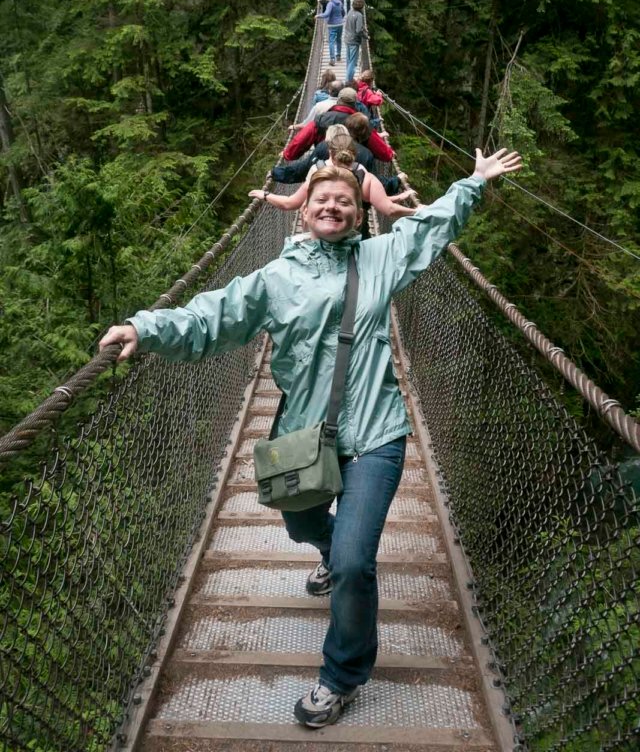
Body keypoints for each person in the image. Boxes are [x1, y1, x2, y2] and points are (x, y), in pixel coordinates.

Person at [99, 147, 523, 729]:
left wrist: (473, 182)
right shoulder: (277, 278)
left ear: (358, 213)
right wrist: (143, 329)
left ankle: (341, 675)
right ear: (303, 213)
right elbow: (212, 317)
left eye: (344, 201)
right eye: (322, 198)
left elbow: (431, 226)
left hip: (377, 433)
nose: (332, 206)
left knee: (355, 563)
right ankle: (325, 548)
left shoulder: (381, 258)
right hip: (304, 433)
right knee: (301, 524)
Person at [250, 129, 416, 221]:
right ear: (353, 152)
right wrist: (415, 211)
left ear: (329, 151)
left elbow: (289, 203)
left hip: (322, 235)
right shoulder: (361, 173)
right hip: (351, 234)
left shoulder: (318, 170)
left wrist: (265, 195)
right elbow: (387, 207)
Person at [284, 87, 393, 163]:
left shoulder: (321, 119)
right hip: (354, 172)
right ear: (355, 103)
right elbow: (383, 153)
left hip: (323, 167)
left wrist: (288, 155)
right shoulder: (362, 123)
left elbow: (300, 140)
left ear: (338, 100)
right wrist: (389, 154)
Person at [315, 0, 344, 67]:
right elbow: (343, 12)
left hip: (332, 25)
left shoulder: (330, 4)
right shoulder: (340, 2)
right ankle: (338, 56)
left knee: (331, 42)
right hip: (340, 24)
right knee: (339, 39)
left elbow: (326, 14)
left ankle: (332, 59)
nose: (326, 0)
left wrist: (318, 16)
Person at [344, 0, 367, 82]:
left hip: (347, 39)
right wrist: (366, 36)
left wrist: (363, 28)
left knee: (349, 60)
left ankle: (348, 78)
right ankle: (348, 81)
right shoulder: (359, 15)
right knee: (353, 62)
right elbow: (358, 30)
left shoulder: (350, 11)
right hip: (354, 41)